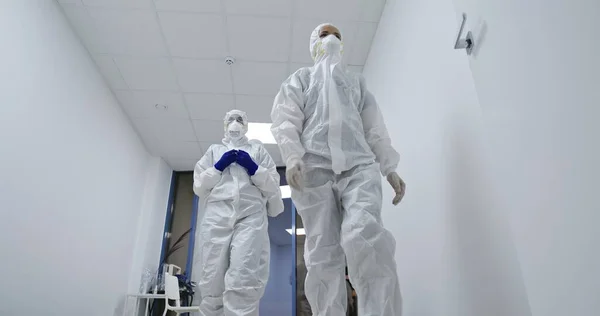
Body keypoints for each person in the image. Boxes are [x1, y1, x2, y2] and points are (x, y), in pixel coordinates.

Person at [271, 23, 406, 315]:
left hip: (358, 167)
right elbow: (286, 120)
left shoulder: (355, 82)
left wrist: (389, 167)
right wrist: (293, 157)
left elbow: (374, 129)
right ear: (313, 43)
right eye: (324, 35)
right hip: (315, 171)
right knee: (323, 253)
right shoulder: (301, 79)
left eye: (337, 36)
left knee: (366, 237)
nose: (331, 39)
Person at [192, 109, 284, 316]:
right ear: (225, 125)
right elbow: (199, 185)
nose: (235, 123)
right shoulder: (214, 151)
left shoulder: (257, 151)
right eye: (230, 120)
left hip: (250, 215)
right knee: (212, 275)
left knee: (243, 275)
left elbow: (272, 186)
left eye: (239, 119)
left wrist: (253, 168)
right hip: (217, 214)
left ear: (246, 126)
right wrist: (217, 167)